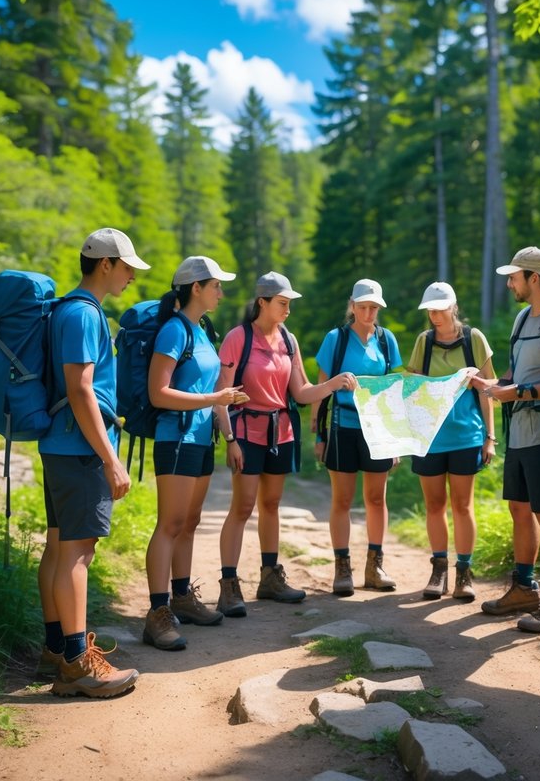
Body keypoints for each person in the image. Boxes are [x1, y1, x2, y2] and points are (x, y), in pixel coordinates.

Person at [38, 227, 145, 698]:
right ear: (105, 264)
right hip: (81, 450)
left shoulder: (67, 309)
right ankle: (79, 665)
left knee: (60, 547)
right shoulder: (83, 314)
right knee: (78, 555)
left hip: (61, 445)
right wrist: (110, 459)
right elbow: (81, 388)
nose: (130, 278)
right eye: (126, 268)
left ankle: (56, 649)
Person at [215, 272, 358, 617]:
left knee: (272, 503)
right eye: (283, 303)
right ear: (262, 302)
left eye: (290, 303)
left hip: (280, 432)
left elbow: (301, 393)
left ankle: (269, 577)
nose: (288, 309)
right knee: (243, 505)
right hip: (246, 432)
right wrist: (230, 439)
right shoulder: (238, 338)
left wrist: (334, 384)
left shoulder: (288, 341)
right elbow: (221, 396)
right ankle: (229, 585)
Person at [471, 247, 540, 635]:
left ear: (533, 278)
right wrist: (491, 384)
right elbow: (517, 373)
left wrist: (518, 393)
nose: (509, 283)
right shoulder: (523, 318)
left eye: (514, 277)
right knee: (520, 509)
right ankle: (523, 588)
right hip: (521, 432)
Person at [143, 255, 247, 651]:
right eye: (216, 284)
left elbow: (209, 391)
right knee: (169, 524)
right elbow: (159, 392)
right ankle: (157, 613)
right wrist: (213, 397)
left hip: (202, 439)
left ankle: (182, 598)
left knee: (189, 522)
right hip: (176, 439)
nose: (221, 291)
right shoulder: (174, 331)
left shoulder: (202, 330)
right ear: (196, 288)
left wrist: (227, 425)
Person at [404, 282, 497, 602]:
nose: (434, 315)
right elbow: (411, 387)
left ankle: (464, 572)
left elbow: (489, 390)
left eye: (440, 309)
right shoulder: (424, 342)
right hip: (429, 438)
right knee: (434, 505)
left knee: (462, 505)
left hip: (466, 436)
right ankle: (439, 569)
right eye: (430, 310)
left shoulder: (474, 339)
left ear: (453, 307)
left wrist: (490, 438)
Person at [310, 278, 403, 596]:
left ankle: (375, 566)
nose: (368, 312)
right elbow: (322, 387)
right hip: (342, 426)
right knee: (343, 500)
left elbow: (394, 390)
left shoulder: (387, 341)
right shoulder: (335, 340)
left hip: (378, 429)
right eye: (363, 306)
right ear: (352, 305)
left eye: (373, 307)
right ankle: (342, 568)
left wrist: (396, 438)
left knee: (377, 499)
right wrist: (319, 434)